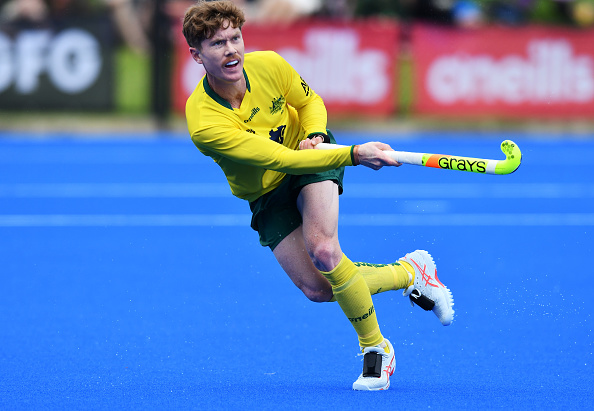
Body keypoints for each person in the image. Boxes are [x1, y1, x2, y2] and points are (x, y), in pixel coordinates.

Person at [182, 0, 454, 391]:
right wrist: (356, 154)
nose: (231, 50)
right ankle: (412, 272)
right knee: (317, 289)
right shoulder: (205, 122)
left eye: (235, 37)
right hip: (267, 189)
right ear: (196, 55)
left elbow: (309, 101)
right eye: (217, 44)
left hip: (313, 156)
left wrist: (319, 136)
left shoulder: (270, 65)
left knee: (324, 250)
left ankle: (376, 349)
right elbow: (276, 158)